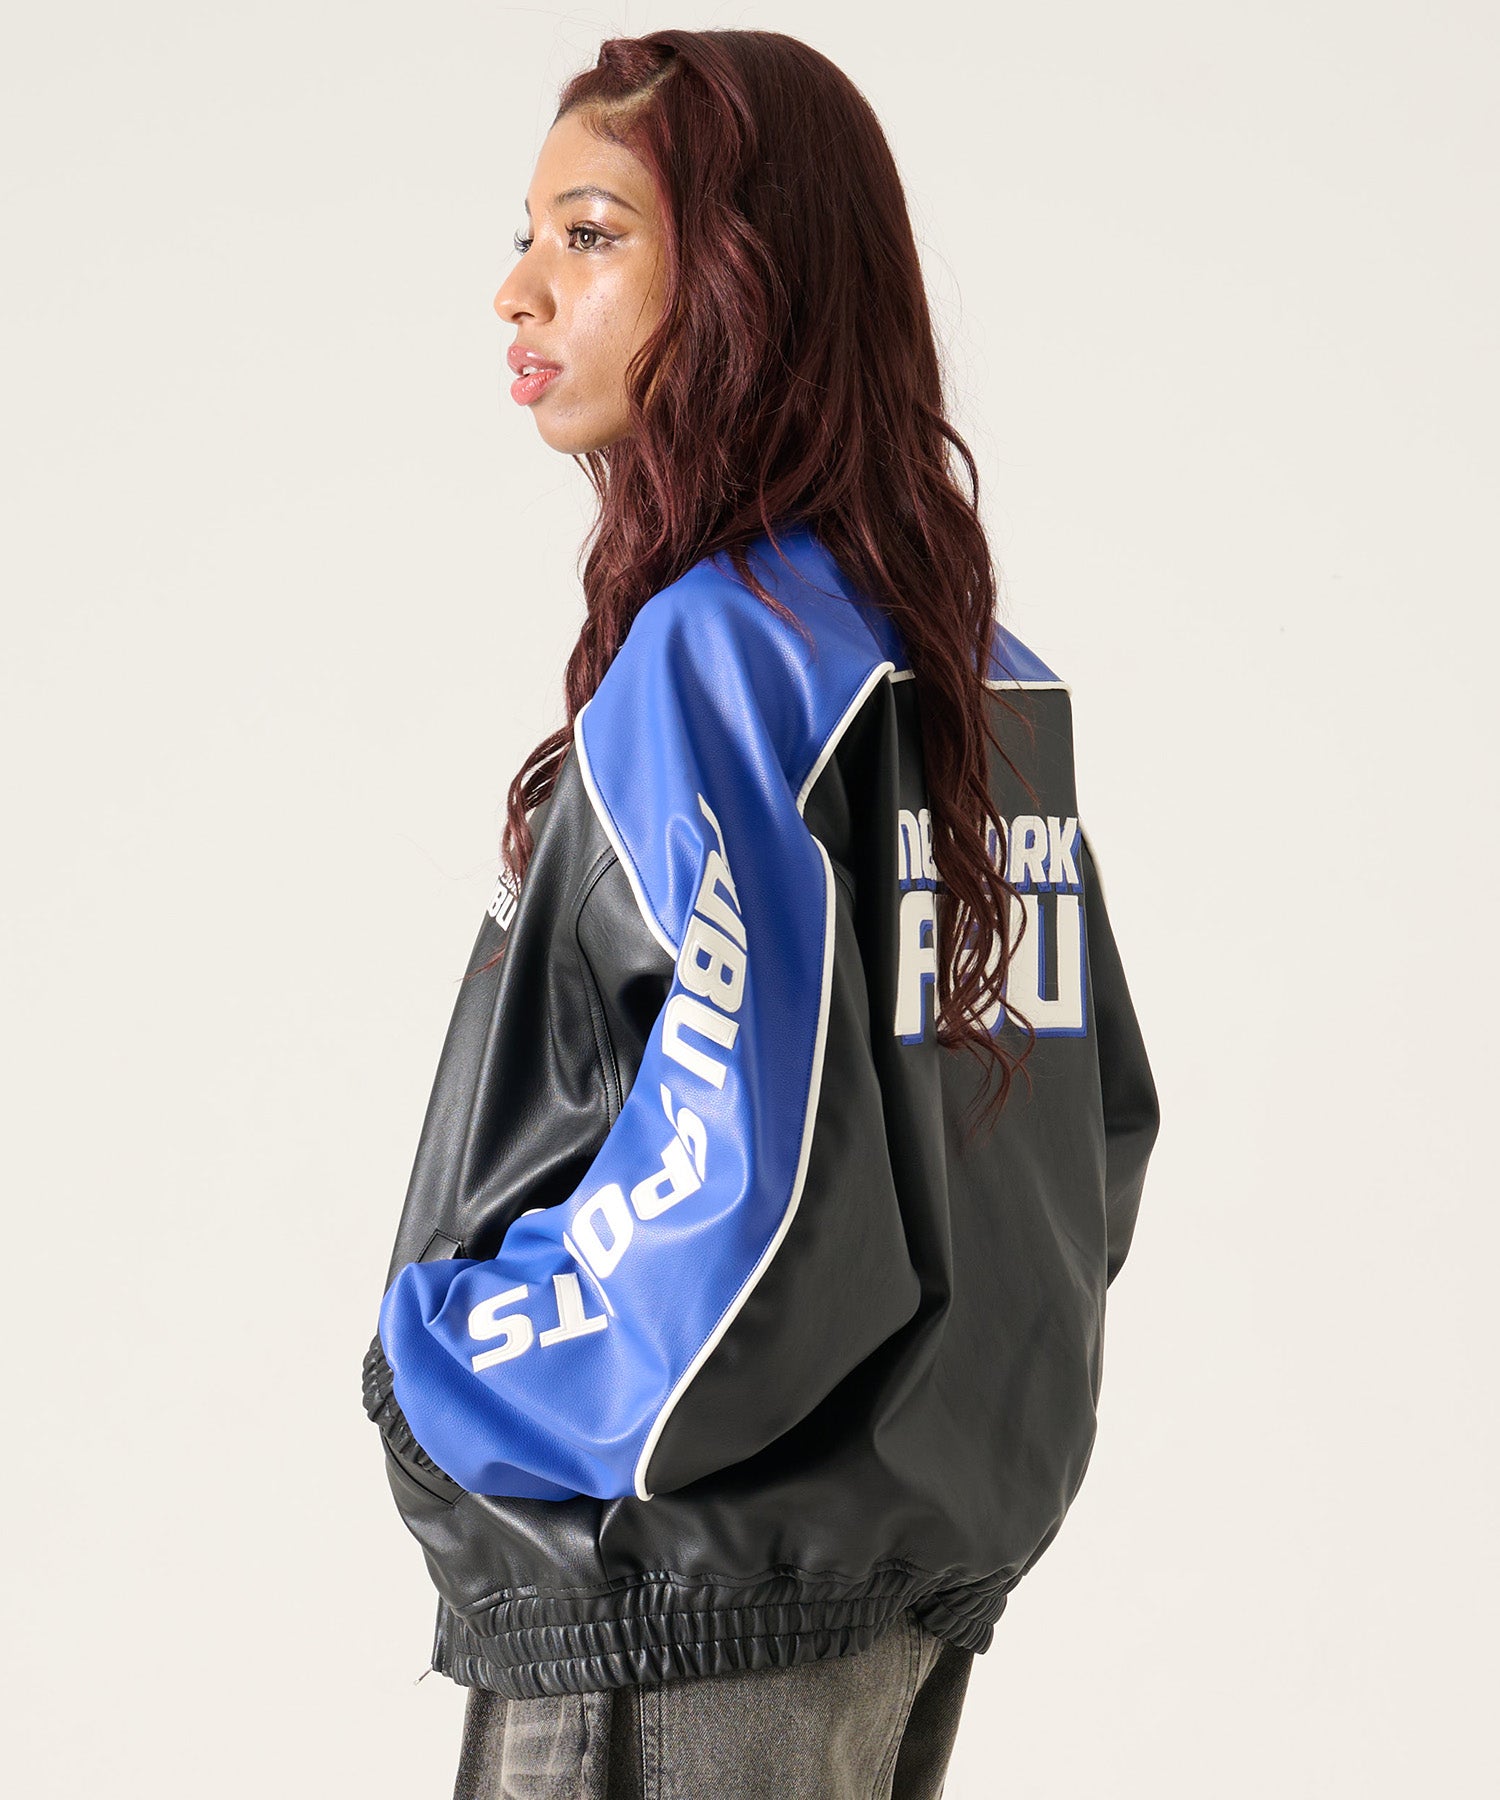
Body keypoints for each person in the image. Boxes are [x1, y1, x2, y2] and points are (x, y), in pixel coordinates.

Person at [360, 27, 1161, 1800]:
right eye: (527, 236)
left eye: (589, 235)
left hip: (673, 1605)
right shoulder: (970, 674)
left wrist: (456, 1370)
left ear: (746, 279)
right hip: (889, 1601)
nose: (518, 290)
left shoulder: (718, 658)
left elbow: (748, 1166)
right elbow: (1084, 1144)